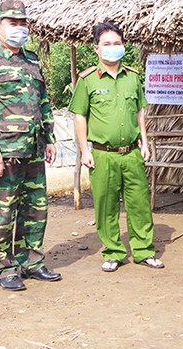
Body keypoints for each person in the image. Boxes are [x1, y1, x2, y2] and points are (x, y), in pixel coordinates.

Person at [0, 0, 61, 291]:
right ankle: (5, 267)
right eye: (12, 22)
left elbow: (43, 103)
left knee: (36, 209)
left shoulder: (32, 61)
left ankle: (31, 261)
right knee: (3, 213)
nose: (19, 28)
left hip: (33, 149)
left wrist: (49, 138)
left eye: (22, 23)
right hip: (5, 152)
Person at [68, 22, 164, 272]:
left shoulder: (132, 77)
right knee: (105, 205)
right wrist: (85, 150)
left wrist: (144, 141)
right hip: (102, 154)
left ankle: (144, 251)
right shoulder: (87, 80)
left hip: (132, 152)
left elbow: (141, 111)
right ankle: (113, 252)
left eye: (117, 43)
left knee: (139, 204)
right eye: (107, 44)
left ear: (124, 45)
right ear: (97, 49)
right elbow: (80, 116)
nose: (113, 48)